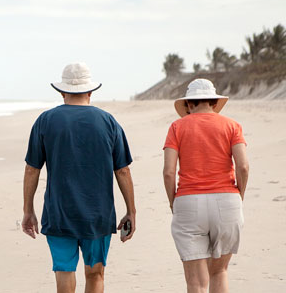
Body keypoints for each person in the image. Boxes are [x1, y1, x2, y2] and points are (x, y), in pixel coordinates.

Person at [22, 63, 136, 293]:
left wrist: (28, 210)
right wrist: (131, 211)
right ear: (90, 91)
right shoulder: (108, 122)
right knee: (95, 273)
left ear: (62, 91)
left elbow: (32, 169)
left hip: (58, 213)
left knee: (64, 270)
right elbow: (122, 171)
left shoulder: (45, 120)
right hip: (98, 215)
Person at [163, 78, 249, 293]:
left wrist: (173, 201)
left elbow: (168, 172)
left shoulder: (177, 127)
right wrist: (240, 195)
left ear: (189, 104)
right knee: (219, 272)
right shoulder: (232, 125)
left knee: (196, 282)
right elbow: (244, 166)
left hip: (188, 201)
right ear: (213, 102)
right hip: (227, 200)